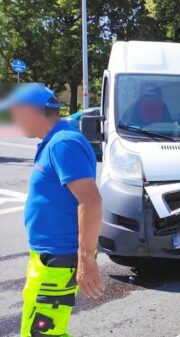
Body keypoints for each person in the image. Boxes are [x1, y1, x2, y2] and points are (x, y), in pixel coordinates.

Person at [0, 84, 105, 337]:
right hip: (47, 257)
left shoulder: (62, 143)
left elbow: (91, 201)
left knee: (44, 333)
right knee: (38, 330)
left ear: (30, 111)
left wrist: (85, 259)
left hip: (60, 259)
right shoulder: (53, 140)